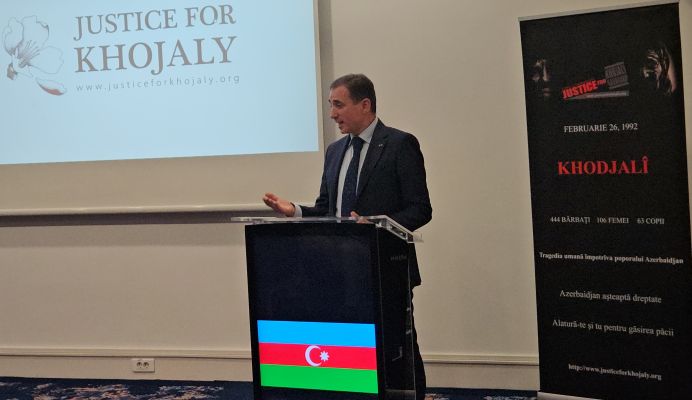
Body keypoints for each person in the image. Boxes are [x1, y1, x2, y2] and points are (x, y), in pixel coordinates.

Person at [263, 73, 432, 399]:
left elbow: (420, 209)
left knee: (396, 347)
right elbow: (327, 209)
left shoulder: (399, 145)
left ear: (364, 104)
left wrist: (378, 225)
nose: (332, 114)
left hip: (385, 268)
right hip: (337, 271)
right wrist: (295, 211)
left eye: (338, 105)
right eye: (330, 105)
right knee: (348, 350)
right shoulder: (334, 151)